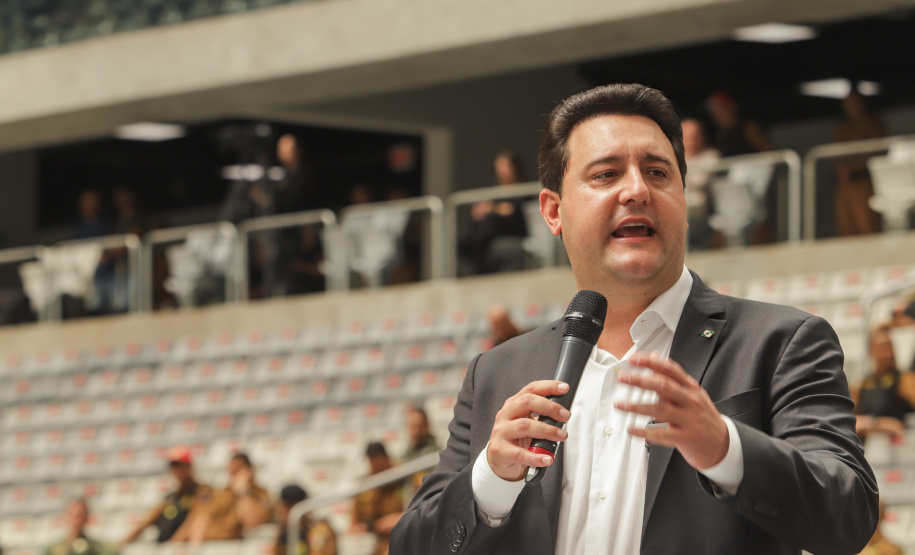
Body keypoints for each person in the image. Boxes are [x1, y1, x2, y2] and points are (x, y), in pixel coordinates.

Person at [391, 83, 878, 555]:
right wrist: (491, 480)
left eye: (658, 172)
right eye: (606, 174)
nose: (637, 190)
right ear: (553, 211)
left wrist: (726, 448)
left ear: (684, 200)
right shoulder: (497, 373)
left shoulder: (780, 342)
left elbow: (848, 514)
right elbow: (411, 544)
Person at [118, 447, 212, 546]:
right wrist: (121, 544)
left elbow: (196, 520)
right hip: (165, 546)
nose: (177, 470)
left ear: (189, 467)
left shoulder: (202, 492)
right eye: (173, 466)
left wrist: (173, 545)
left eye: (180, 465)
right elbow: (148, 520)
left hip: (182, 548)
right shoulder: (171, 497)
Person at [458, 150, 530, 275]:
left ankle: (481, 270)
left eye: (504, 166)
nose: (500, 170)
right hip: (492, 229)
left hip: (511, 229)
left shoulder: (523, 190)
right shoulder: (496, 191)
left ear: (514, 167)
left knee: (484, 235)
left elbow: (512, 211)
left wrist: (493, 209)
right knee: (468, 238)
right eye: (499, 166)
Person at [173, 452, 273, 542]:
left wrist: (242, 492)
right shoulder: (221, 494)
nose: (233, 476)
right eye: (231, 472)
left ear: (249, 471)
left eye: (237, 471)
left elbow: (252, 522)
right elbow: (198, 521)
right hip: (208, 547)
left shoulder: (259, 494)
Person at [833, 91, 885, 236]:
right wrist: (842, 168)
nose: (851, 106)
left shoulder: (872, 123)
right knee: (847, 228)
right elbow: (835, 151)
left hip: (864, 181)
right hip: (845, 183)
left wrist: (853, 166)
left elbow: (874, 151)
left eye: (854, 102)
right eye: (847, 103)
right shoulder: (842, 127)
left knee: (867, 227)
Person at [852, 326, 915, 438]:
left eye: (890, 346)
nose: (889, 354)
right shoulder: (862, 384)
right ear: (872, 351)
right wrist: (874, 424)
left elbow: (897, 426)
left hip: (897, 445)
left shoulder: (905, 379)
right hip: (867, 445)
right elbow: (848, 419)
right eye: (883, 348)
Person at [351, 443, 404, 555]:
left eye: (380, 467)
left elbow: (422, 509)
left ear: (387, 459)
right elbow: (353, 524)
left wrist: (399, 518)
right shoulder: (366, 485)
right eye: (373, 466)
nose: (376, 471)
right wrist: (360, 528)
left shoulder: (404, 478)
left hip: (402, 537)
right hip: (373, 542)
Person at [680, 117, 720, 250]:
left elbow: (700, 180)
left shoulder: (711, 155)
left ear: (702, 136)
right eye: (687, 136)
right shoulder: (673, 157)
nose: (691, 140)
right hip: (678, 202)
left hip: (703, 206)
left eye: (695, 136)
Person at [274, 484, 337, 555]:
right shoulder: (283, 531)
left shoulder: (318, 530)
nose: (282, 515)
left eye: (285, 510)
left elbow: (318, 553)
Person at [44, 498, 118, 555]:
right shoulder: (52, 549)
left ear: (86, 518)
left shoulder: (96, 548)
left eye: (80, 516)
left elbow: (113, 551)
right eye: (73, 515)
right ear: (66, 516)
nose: (76, 521)